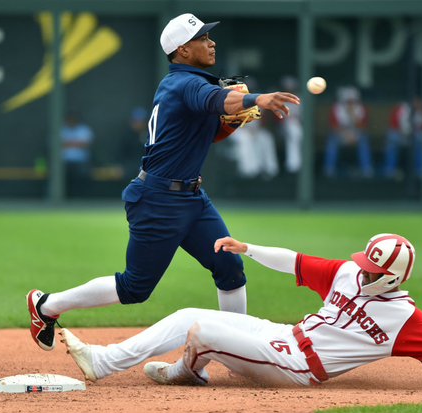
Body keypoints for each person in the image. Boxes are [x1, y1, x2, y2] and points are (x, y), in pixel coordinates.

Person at [26, 13, 300, 351]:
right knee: (134, 288)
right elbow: (217, 100)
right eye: (202, 38)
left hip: (192, 198)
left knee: (229, 264)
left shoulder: (189, 83)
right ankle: (46, 306)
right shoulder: (185, 83)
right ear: (183, 51)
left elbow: (209, 133)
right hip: (158, 199)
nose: (211, 42)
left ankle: (237, 347)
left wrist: (231, 123)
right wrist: (256, 98)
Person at [58, 233, 422, 394]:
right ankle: (105, 362)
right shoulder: (350, 274)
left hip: (296, 369)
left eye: (373, 267)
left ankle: (188, 370)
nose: (361, 269)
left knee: (202, 330)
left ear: (392, 277)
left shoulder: (403, 318)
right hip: (284, 336)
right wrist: (246, 247)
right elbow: (292, 260)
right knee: (189, 311)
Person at [226, 79, 279, 179]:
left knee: (266, 137)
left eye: (251, 89)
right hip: (235, 131)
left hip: (254, 131)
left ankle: (270, 170)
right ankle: (248, 171)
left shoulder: (257, 102)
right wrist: (246, 130)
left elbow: (263, 121)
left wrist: (256, 130)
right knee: (245, 139)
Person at [323, 86, 374, 178]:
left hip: (356, 133)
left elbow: (363, 126)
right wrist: (346, 134)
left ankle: (366, 169)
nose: (350, 103)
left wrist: (352, 115)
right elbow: (333, 126)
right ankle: (329, 169)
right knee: (331, 140)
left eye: (352, 101)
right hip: (340, 134)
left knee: (364, 140)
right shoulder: (336, 107)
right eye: (348, 101)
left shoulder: (361, 108)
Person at [383, 95, 422, 180]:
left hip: (415, 137)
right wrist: (401, 130)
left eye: (419, 101)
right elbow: (392, 123)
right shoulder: (401, 108)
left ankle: (421, 171)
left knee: (421, 139)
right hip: (400, 136)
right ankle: (389, 171)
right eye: (416, 100)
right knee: (391, 138)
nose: (417, 103)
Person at [60, 110, 94, 197]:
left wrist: (67, 143)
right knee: (59, 174)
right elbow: (56, 143)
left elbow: (84, 144)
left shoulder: (84, 129)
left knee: (82, 175)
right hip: (63, 162)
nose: (71, 120)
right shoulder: (61, 129)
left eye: (73, 118)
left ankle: (80, 198)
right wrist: (76, 143)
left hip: (81, 162)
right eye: (69, 118)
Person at [277, 75, 304, 174]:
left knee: (296, 132)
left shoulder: (300, 99)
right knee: (293, 131)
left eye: (291, 89)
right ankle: (294, 165)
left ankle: (295, 164)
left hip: (299, 128)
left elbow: (305, 118)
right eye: (287, 89)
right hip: (283, 129)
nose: (290, 91)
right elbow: (278, 119)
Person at [116, 107, 149, 180]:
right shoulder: (125, 135)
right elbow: (120, 153)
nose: (139, 123)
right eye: (136, 121)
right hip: (128, 168)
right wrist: (120, 167)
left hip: (145, 169)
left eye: (141, 121)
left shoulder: (149, 135)